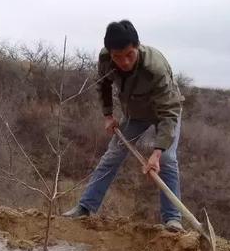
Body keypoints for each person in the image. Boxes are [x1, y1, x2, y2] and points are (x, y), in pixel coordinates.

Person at [62, 20, 185, 232]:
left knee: (167, 159)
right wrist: (108, 115)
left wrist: (156, 153)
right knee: (112, 155)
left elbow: (168, 113)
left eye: (129, 55)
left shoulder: (155, 67)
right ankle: (85, 207)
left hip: (164, 113)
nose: (124, 62)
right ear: (110, 53)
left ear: (137, 47)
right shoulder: (105, 58)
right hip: (135, 114)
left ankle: (173, 220)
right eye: (118, 57)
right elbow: (103, 85)